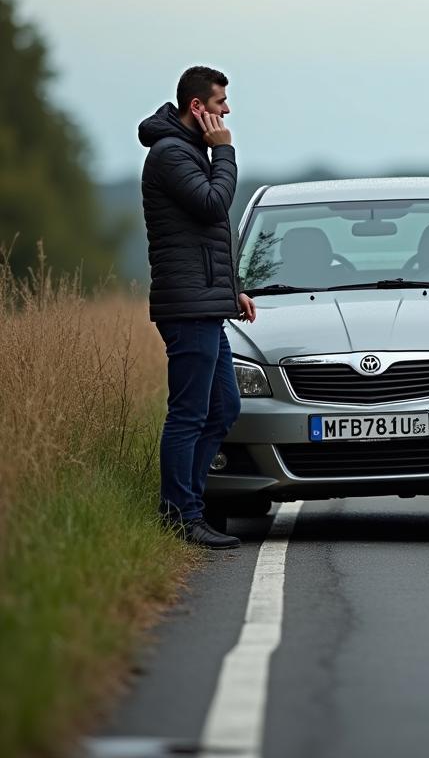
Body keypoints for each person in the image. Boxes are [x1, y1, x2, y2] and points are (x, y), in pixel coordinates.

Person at [138, 66, 256, 549]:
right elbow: (213, 205)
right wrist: (225, 149)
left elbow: (203, 240)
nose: (226, 111)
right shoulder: (171, 154)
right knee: (188, 413)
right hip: (187, 309)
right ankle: (181, 516)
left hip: (206, 303)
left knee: (224, 406)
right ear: (197, 107)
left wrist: (233, 292)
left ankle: (190, 505)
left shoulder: (186, 152)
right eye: (221, 102)